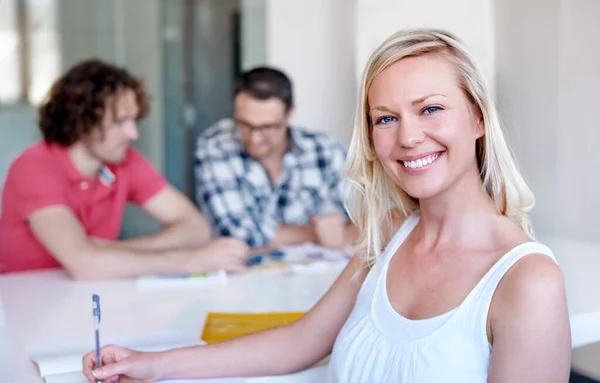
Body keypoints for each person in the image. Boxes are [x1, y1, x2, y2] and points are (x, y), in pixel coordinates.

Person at [83, 29, 571, 382]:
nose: (407, 137)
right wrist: (151, 363)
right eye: (385, 118)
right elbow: (299, 342)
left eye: (431, 109)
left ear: (479, 119)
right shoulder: (389, 233)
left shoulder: (527, 282)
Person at [0, 59, 249, 279]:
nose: (133, 133)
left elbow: (195, 228)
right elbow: (84, 264)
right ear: (81, 122)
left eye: (133, 120)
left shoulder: (124, 160)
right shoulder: (34, 168)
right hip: (26, 304)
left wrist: (111, 251)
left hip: (89, 296)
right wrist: (191, 262)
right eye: (120, 122)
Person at [194, 67, 358, 252]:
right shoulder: (216, 145)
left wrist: (343, 232)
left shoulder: (325, 149)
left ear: (289, 115)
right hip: (243, 278)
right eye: (245, 124)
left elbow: (371, 221)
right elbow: (237, 234)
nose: (255, 138)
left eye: (267, 127)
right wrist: (317, 234)